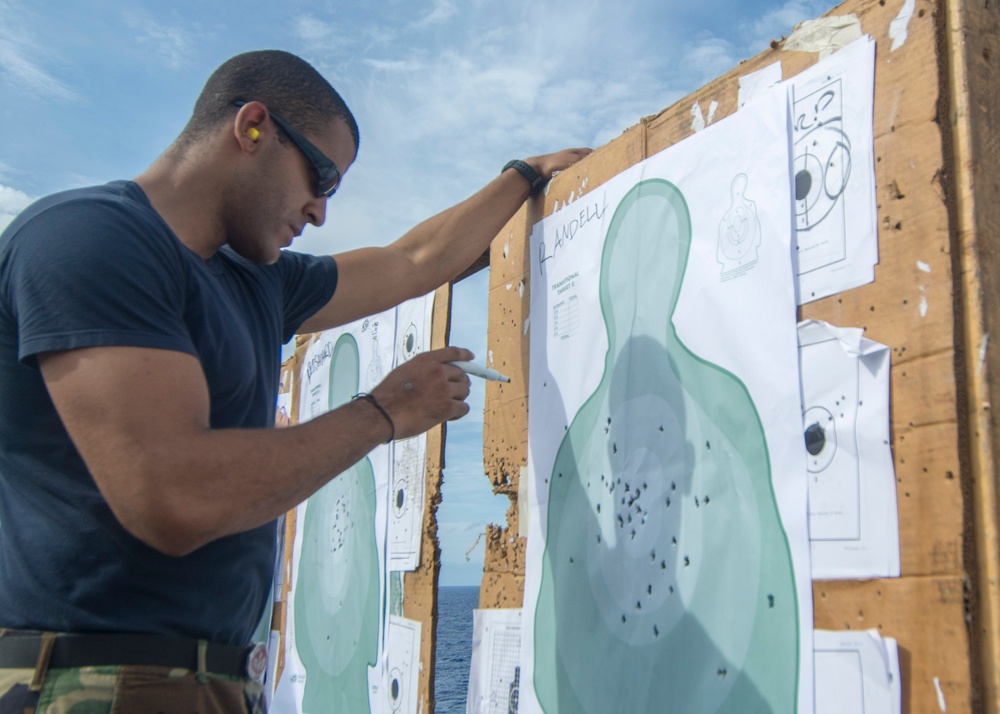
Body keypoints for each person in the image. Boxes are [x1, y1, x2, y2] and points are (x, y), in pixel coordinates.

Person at [0, 49, 589, 712]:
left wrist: (524, 176)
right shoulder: (90, 240)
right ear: (253, 128)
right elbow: (172, 495)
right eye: (322, 177)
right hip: (94, 682)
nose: (320, 212)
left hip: (210, 682)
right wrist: (385, 412)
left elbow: (412, 260)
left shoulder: (256, 283)